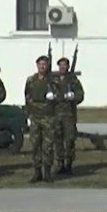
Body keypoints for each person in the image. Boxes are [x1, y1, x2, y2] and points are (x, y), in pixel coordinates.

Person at [24, 55, 59, 183]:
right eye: (40, 64)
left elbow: (59, 97)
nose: (42, 66)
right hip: (35, 116)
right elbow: (27, 97)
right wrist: (29, 114)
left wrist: (54, 96)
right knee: (35, 145)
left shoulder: (53, 81)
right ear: (37, 65)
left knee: (48, 145)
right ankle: (37, 172)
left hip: (48, 116)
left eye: (44, 64)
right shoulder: (31, 80)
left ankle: (47, 173)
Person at [54, 57, 84, 175]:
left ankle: (69, 164)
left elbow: (80, 95)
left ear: (68, 66)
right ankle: (60, 164)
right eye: (60, 65)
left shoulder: (73, 80)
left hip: (69, 115)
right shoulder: (53, 79)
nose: (62, 67)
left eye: (65, 65)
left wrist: (74, 97)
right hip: (56, 114)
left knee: (69, 140)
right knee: (58, 140)